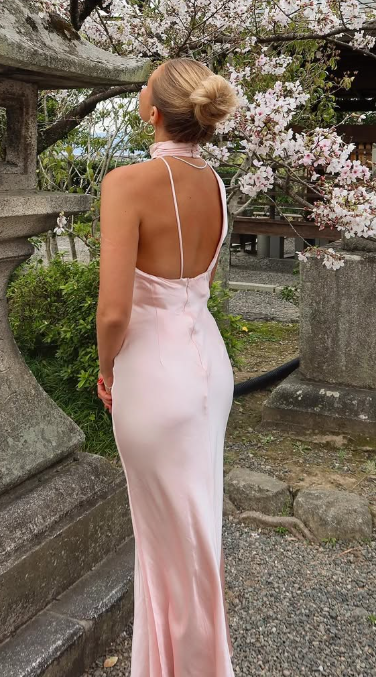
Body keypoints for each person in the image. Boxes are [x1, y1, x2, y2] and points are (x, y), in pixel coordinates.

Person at [96, 58, 238, 676]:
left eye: (146, 81)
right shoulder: (217, 185)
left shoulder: (126, 183)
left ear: (154, 111)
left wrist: (107, 369)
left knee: (167, 538)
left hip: (153, 374)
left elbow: (113, 312)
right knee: (196, 529)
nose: (139, 86)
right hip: (209, 366)